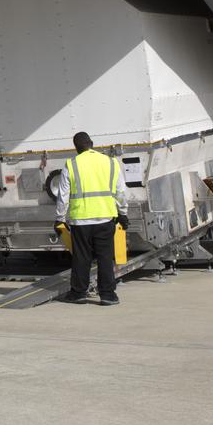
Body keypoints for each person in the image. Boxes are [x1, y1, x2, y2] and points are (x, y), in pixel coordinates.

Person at [53, 131, 129, 306]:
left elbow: (63, 195)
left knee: (81, 258)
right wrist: (123, 213)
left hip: (81, 221)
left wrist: (59, 218)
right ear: (92, 143)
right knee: (105, 257)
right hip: (105, 218)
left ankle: (78, 293)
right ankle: (108, 295)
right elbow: (120, 192)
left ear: (76, 147)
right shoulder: (110, 162)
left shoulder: (71, 164)